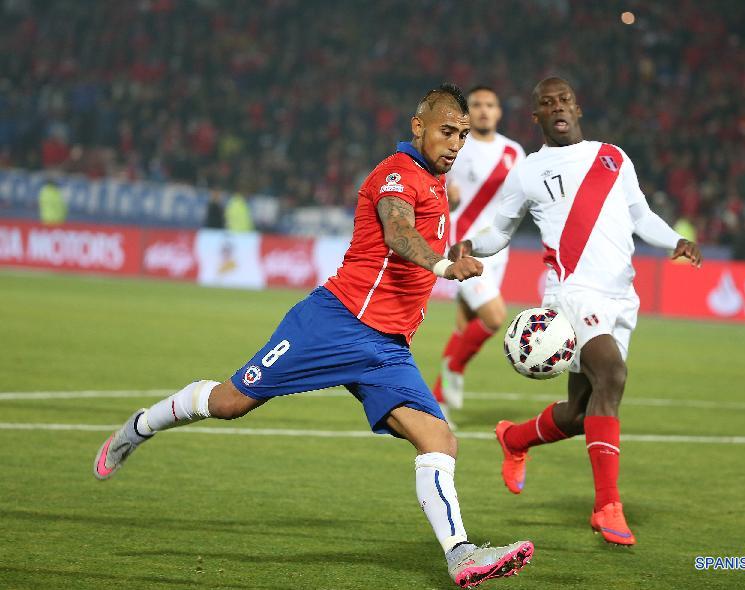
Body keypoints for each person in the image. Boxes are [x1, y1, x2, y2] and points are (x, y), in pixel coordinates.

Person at [93, 84, 534, 588]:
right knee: (233, 401)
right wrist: (440, 263)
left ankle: (461, 556)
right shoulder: (396, 174)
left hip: (386, 348)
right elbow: (397, 232)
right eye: (446, 131)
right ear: (419, 127)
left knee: (439, 439)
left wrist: (452, 256)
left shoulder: (436, 182)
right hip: (335, 323)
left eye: (460, 134)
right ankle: (141, 426)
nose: (455, 143)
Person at [450, 77, 702, 546]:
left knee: (581, 413)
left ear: (577, 107)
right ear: (537, 117)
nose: (557, 107)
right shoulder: (529, 170)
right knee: (613, 375)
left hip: (621, 296)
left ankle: (515, 438)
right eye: (546, 103)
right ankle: (607, 505)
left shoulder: (613, 156)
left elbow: (640, 215)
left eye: (563, 100)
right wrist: (469, 244)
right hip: (573, 293)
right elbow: (500, 231)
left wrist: (676, 240)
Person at [432, 86, 526, 424]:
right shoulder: (456, 146)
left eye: (490, 104)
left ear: (499, 111)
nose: (484, 110)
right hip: (462, 246)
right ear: (466, 112)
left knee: (464, 327)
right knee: (494, 316)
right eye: (477, 105)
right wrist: (449, 198)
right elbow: (436, 191)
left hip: (497, 250)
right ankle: (453, 366)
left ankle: (438, 403)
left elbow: (521, 199)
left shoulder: (514, 153)